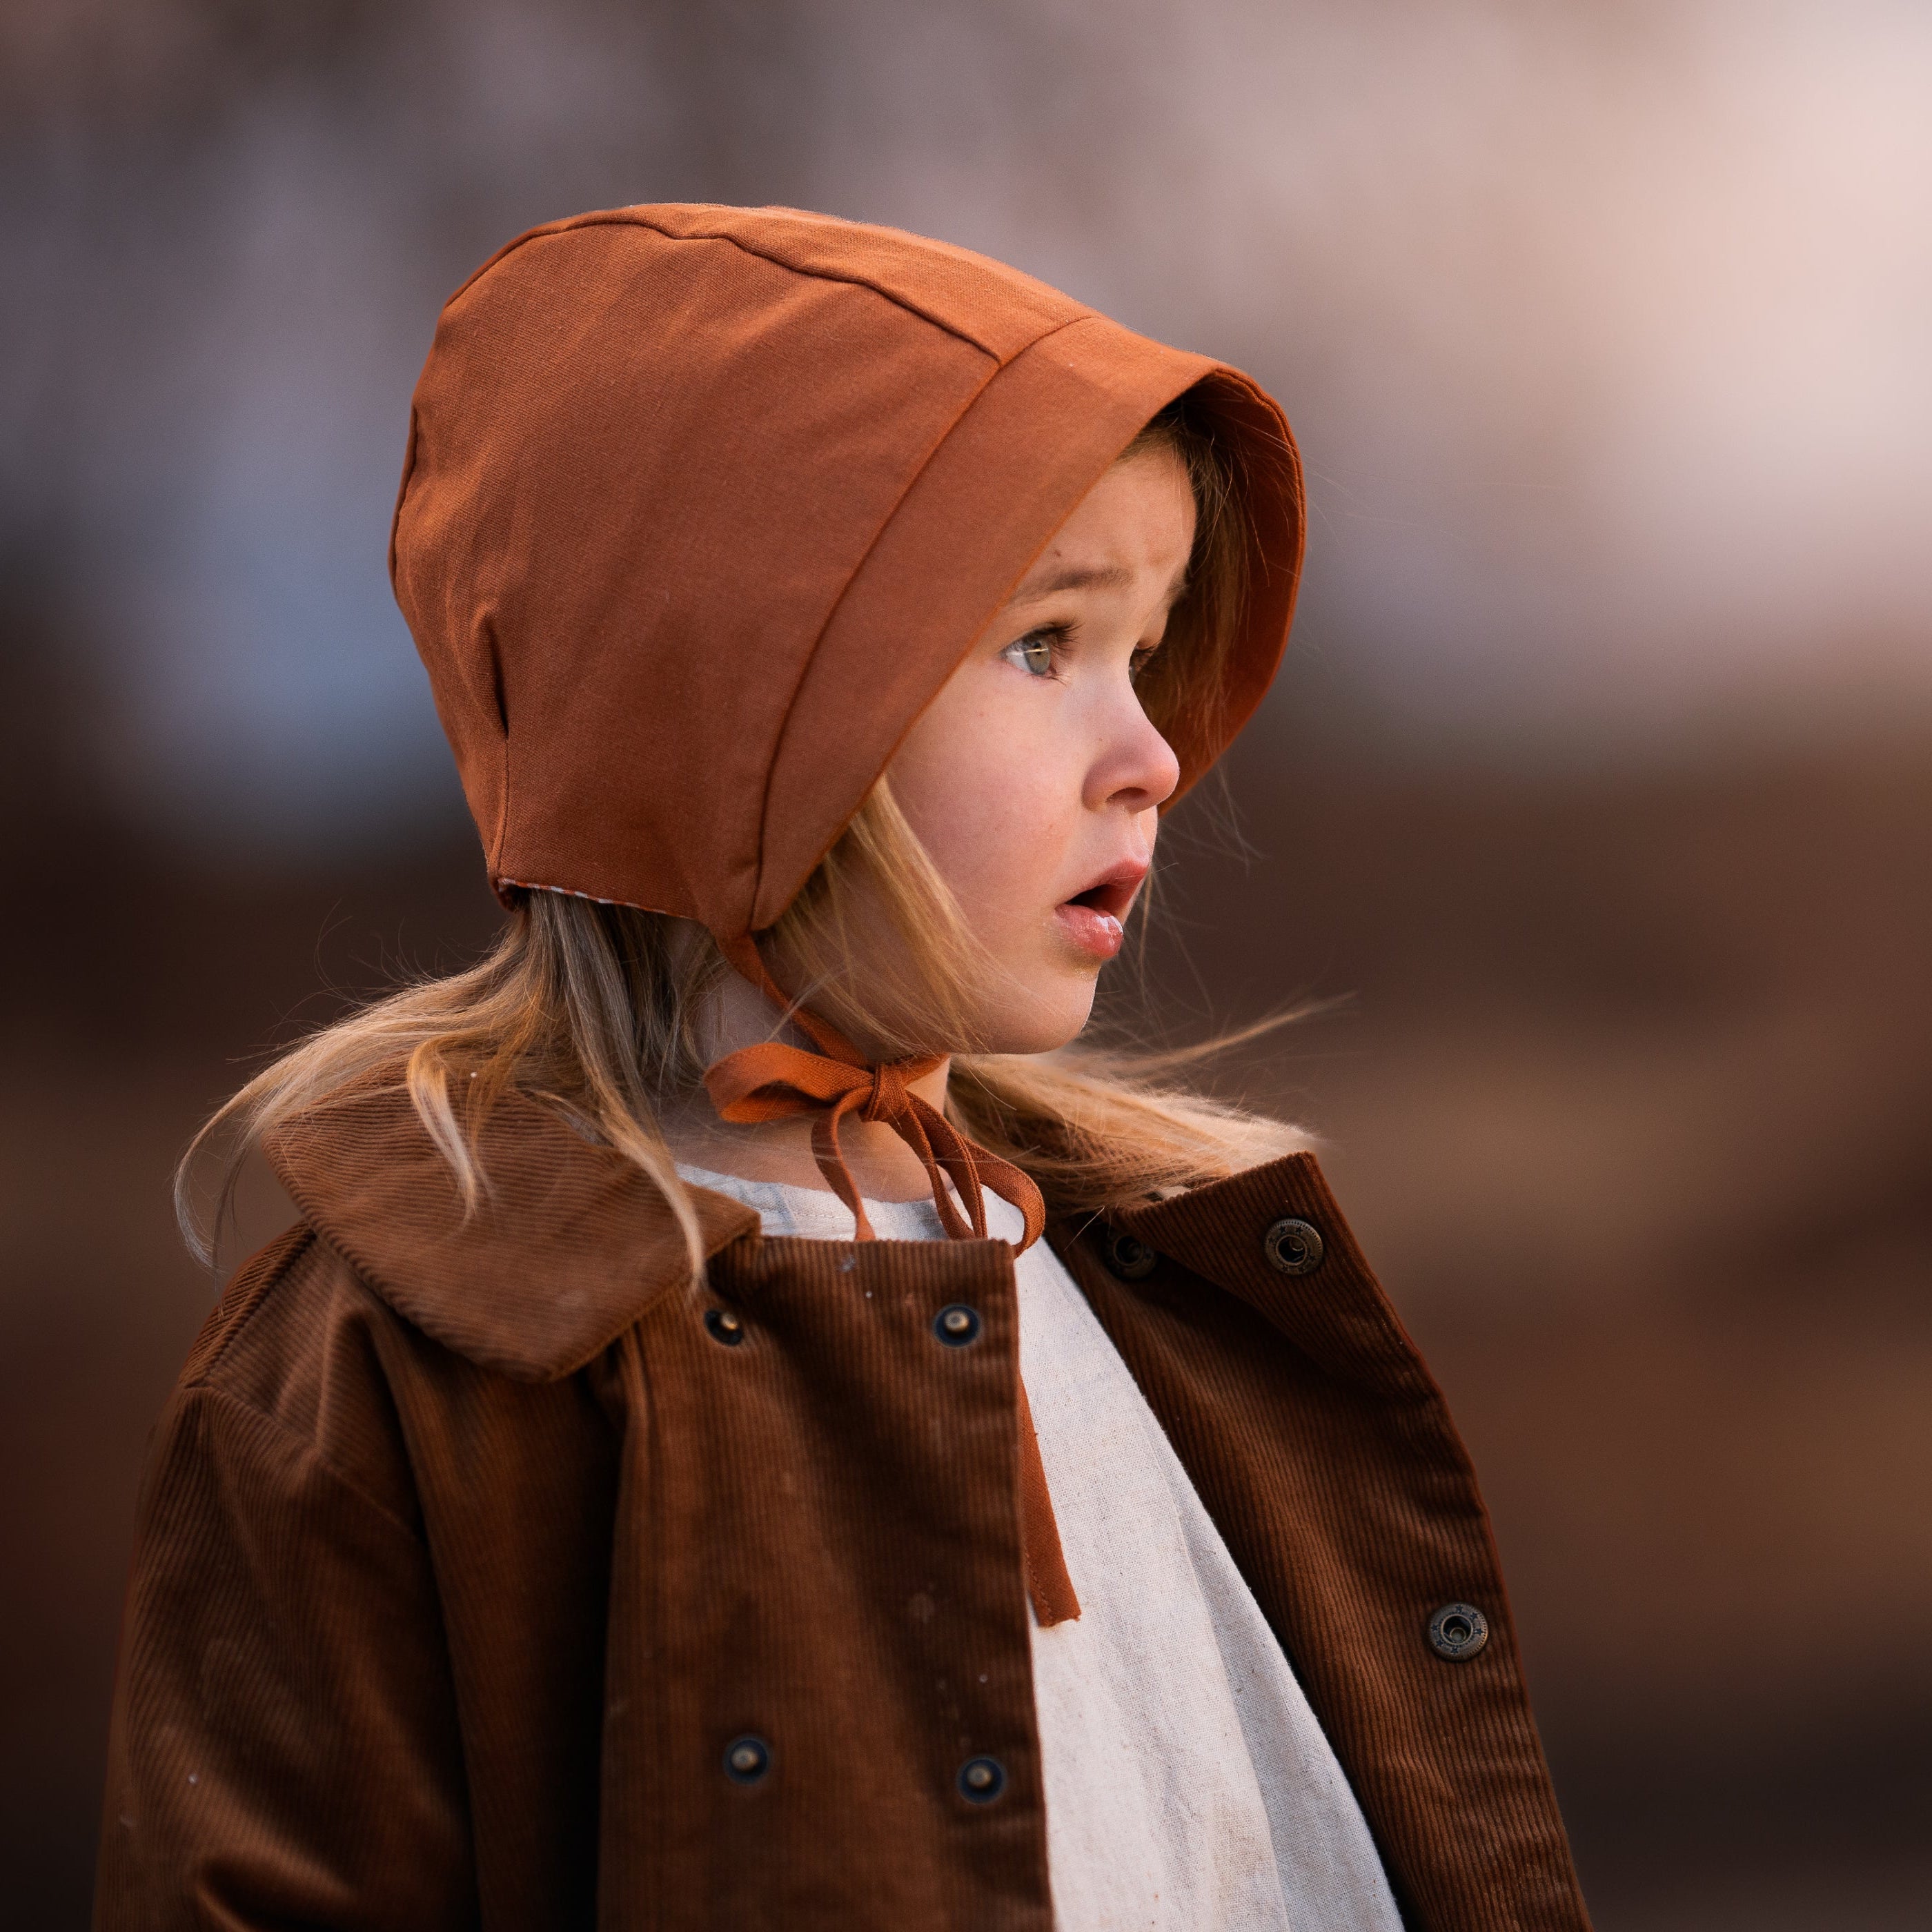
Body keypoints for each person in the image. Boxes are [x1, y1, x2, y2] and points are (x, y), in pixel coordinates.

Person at [94, 206, 1590, 1930]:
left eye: (1146, 647)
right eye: (1044, 645)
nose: (1152, 754)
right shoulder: (398, 1377)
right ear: (734, 709)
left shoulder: (1191, 1280)